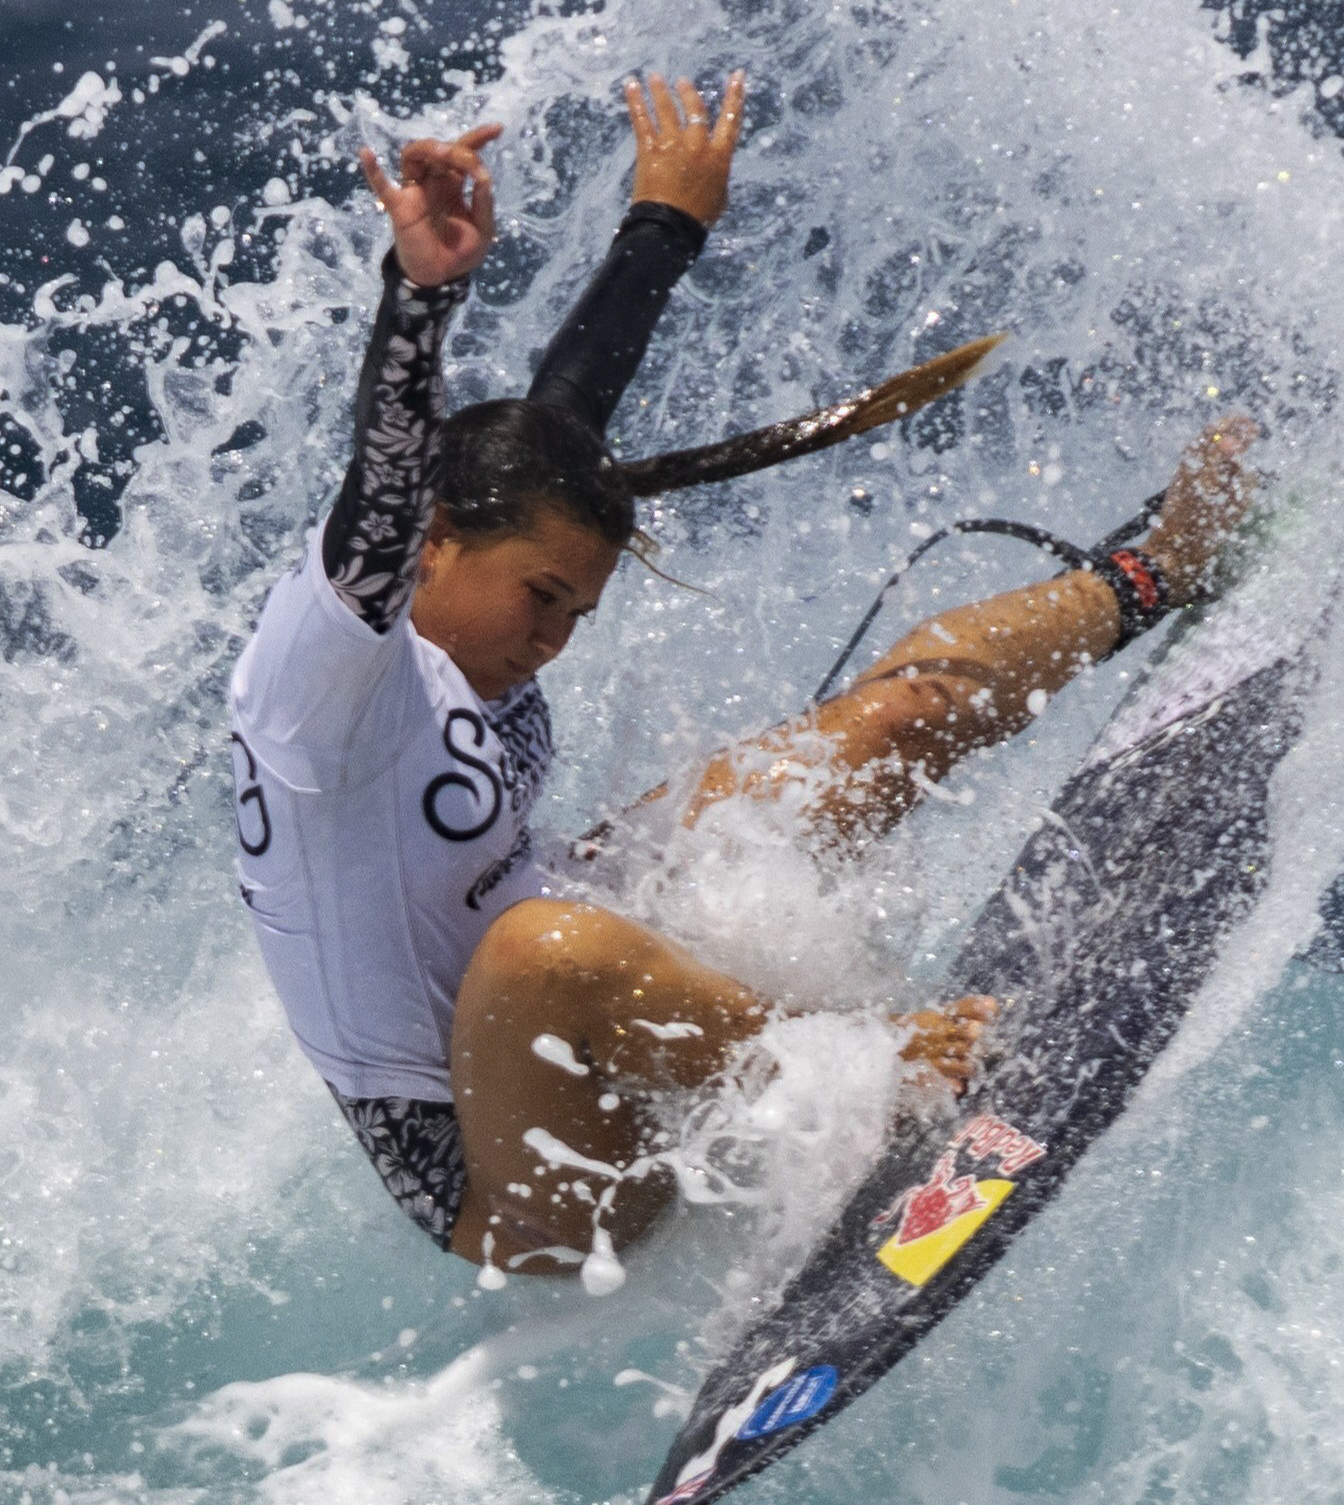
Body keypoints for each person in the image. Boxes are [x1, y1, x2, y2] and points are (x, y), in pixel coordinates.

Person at [222, 72, 1253, 1273]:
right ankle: (865, 1074)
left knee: (880, 724)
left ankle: (1156, 572)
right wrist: (418, 298)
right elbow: (391, 474)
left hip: (596, 997)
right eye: (540, 598)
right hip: (514, 1182)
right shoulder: (324, 678)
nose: (552, 637)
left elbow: (559, 424)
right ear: (432, 542)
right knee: (543, 951)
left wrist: (664, 224)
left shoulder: (489, 559)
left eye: (577, 609)